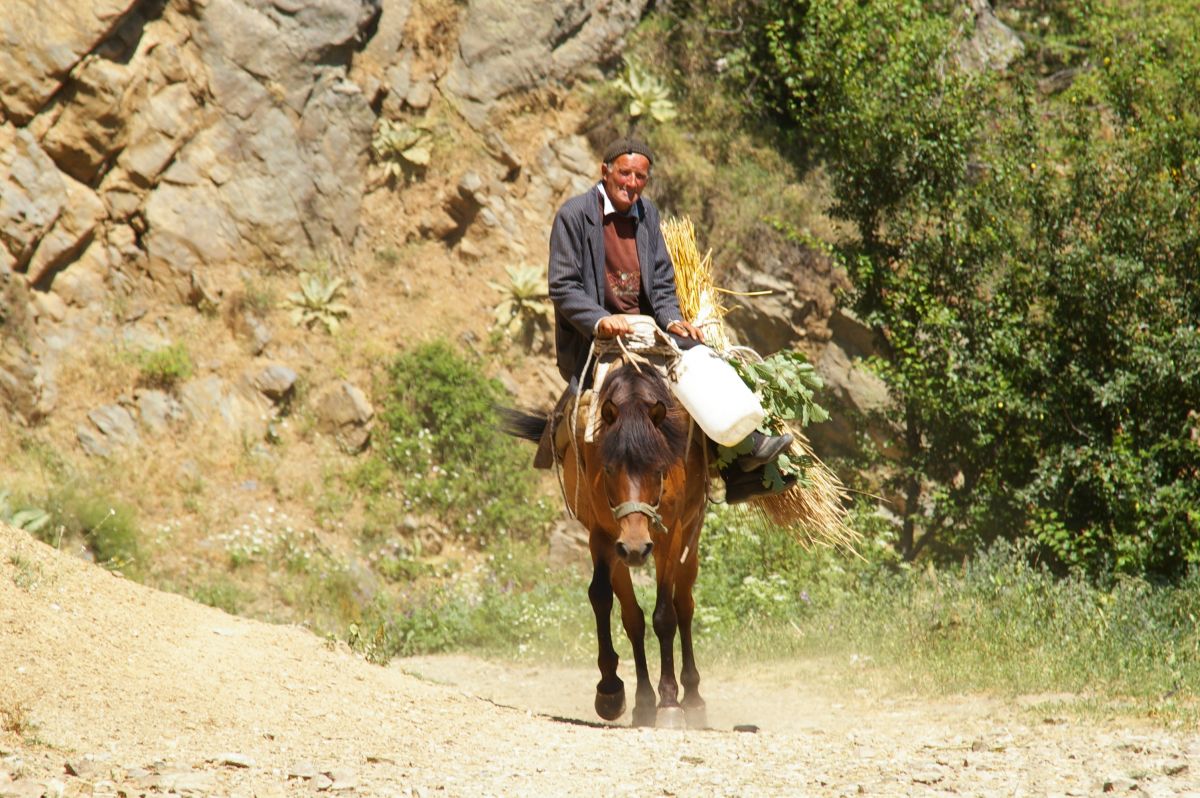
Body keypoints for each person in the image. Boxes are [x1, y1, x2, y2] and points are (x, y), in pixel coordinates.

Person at [541, 135, 792, 478]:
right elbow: (563, 285)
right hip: (594, 340)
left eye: (640, 177)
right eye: (625, 173)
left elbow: (660, 281)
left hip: (647, 330)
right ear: (605, 171)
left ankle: (746, 454)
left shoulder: (647, 215)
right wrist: (601, 320)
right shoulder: (574, 215)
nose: (631, 184)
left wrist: (672, 319)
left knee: (703, 358)